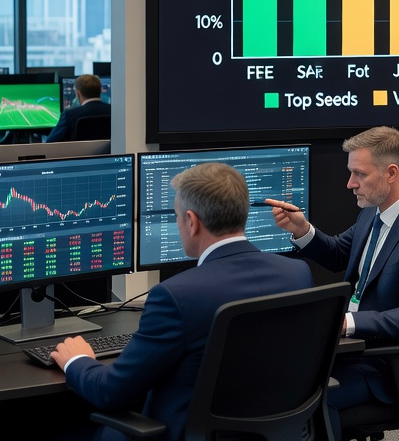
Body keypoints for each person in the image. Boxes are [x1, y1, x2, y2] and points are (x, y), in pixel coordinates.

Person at [52, 162, 312, 441]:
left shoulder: (175, 296)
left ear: (191, 221)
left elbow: (111, 392)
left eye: (176, 217)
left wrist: (77, 360)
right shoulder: (297, 274)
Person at [267, 126, 399, 441]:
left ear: (391, 173)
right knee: (277, 379)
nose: (350, 183)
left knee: (303, 402)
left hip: (383, 367)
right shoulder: (375, 210)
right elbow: (339, 254)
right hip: (351, 349)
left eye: (359, 174)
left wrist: (345, 323)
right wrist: (302, 230)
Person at [45, 74, 111, 142]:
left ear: (78, 94)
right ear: (100, 91)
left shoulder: (69, 115)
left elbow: (50, 141)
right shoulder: (113, 111)